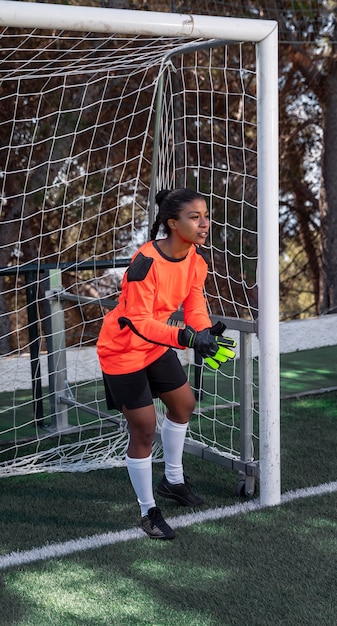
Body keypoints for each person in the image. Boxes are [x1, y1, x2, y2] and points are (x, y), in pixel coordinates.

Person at [96, 188, 236, 540]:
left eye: (205, 215)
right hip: (123, 349)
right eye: (194, 217)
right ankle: (148, 511)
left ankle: (173, 480)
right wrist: (187, 338)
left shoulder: (196, 261)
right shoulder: (144, 262)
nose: (204, 223)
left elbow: (195, 304)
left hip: (155, 347)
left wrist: (204, 333)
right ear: (172, 223)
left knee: (184, 404)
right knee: (143, 428)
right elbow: (139, 321)